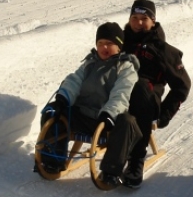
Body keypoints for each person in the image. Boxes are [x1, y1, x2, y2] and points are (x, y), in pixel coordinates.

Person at [39, 22, 142, 188]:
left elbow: (121, 93)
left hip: (108, 121)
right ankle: (52, 161)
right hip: (83, 116)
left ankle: (111, 172)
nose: (104, 47)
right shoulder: (89, 64)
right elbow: (74, 81)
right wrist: (62, 100)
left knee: (127, 122)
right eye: (100, 43)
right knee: (52, 111)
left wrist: (109, 113)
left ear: (119, 46)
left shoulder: (126, 67)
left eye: (109, 43)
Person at [120, 0, 191, 188]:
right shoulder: (120, 42)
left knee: (139, 87)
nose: (139, 23)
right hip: (117, 96)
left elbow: (182, 85)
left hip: (146, 100)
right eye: (135, 18)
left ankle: (136, 159)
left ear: (153, 21)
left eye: (144, 18)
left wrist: (165, 113)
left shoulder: (162, 50)